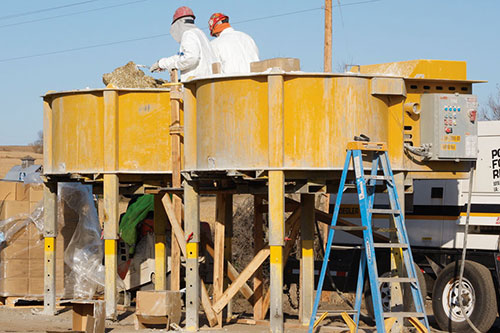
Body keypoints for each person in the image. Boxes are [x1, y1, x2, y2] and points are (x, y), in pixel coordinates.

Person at [150, 6, 216, 81]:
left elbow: (191, 58)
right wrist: (161, 63)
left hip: (197, 84)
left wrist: (174, 65)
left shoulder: (188, 34)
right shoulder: (200, 34)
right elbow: (182, 57)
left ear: (178, 23)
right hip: (207, 82)